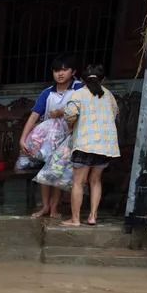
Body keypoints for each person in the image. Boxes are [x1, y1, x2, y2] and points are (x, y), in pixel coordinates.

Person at [18, 54, 83, 219]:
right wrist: (23, 138)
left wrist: (61, 112)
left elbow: (84, 109)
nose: (60, 74)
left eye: (64, 70)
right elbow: (34, 116)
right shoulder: (47, 93)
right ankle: (46, 206)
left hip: (70, 138)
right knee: (46, 172)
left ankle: (54, 207)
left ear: (73, 71)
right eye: (56, 70)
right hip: (49, 139)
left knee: (58, 172)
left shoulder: (79, 89)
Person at [62, 64, 119, 227]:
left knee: (79, 182)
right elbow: (115, 114)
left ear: (81, 79)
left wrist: (71, 126)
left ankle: (75, 219)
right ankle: (93, 216)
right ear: (104, 79)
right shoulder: (109, 95)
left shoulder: (78, 94)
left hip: (84, 144)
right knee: (96, 181)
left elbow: (70, 114)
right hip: (104, 145)